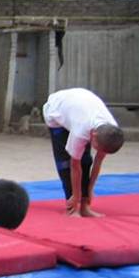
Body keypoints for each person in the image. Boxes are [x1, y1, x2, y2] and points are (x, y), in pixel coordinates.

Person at [43, 88, 124, 217]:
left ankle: (84, 207)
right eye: (96, 146)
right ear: (93, 134)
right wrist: (75, 196)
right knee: (65, 163)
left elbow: (97, 162)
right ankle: (72, 208)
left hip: (79, 107)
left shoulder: (110, 131)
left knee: (86, 160)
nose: (98, 151)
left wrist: (89, 191)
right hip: (56, 111)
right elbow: (75, 165)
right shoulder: (81, 130)